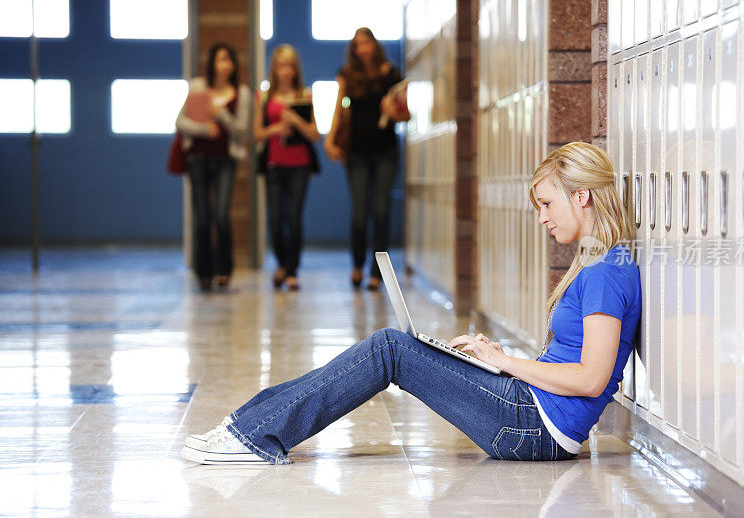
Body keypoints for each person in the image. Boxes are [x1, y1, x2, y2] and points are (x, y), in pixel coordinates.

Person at [181, 142, 642, 465]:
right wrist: (498, 362)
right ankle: (247, 424)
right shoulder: (603, 263)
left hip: (535, 427)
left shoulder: (604, 273)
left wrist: (505, 362)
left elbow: (589, 378)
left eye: (546, 204)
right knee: (397, 345)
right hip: (531, 411)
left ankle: (251, 434)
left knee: (390, 349)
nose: (541, 217)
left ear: (581, 196)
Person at [324, 27, 410, 291]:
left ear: (375, 45)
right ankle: (358, 266)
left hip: (385, 150)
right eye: (358, 44)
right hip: (357, 152)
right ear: (353, 48)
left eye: (367, 43)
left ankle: (377, 273)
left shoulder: (390, 73)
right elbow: (339, 108)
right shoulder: (347, 74)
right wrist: (329, 139)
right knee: (360, 213)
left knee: (381, 211)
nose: (363, 49)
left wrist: (390, 111)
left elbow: (405, 115)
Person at [176, 43, 251, 292]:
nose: (225, 64)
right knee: (202, 217)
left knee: (220, 214)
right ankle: (203, 272)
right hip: (197, 159)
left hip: (225, 161)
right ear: (212, 63)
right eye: (220, 59)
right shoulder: (198, 87)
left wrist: (221, 115)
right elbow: (180, 121)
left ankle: (224, 269)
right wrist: (204, 129)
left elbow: (242, 130)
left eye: (229, 59)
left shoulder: (242, 92)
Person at [254, 45, 320, 291]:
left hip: (300, 165)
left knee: (293, 218)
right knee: (274, 220)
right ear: (274, 68)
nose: (286, 71)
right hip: (273, 165)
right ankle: (281, 264)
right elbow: (256, 134)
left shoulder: (305, 94)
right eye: (281, 65)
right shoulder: (263, 97)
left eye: (290, 65)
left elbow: (315, 134)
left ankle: (292, 271)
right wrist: (275, 129)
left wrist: (295, 121)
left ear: (296, 69)